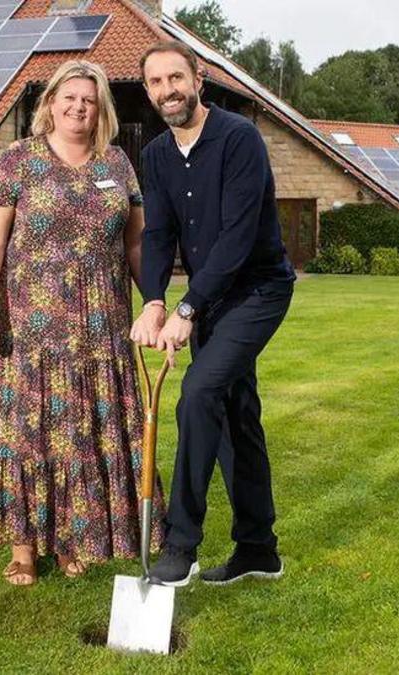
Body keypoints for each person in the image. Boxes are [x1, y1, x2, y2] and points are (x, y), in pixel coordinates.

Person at [0, 60, 165, 587]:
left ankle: (74, 536)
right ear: (49, 103)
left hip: (100, 327)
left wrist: (155, 303)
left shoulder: (118, 164)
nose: (79, 107)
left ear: (102, 110)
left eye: (89, 100)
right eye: (69, 97)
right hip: (29, 327)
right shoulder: (16, 161)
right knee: (27, 435)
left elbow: (136, 243)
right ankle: (24, 547)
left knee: (84, 434)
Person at [130, 41, 296, 587]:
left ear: (198, 79)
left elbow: (236, 238)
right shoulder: (155, 155)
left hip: (258, 291)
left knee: (198, 392)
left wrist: (188, 308)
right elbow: (158, 234)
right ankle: (258, 549)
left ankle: (181, 543)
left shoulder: (239, 139)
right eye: (155, 82)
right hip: (211, 299)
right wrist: (154, 300)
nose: (166, 90)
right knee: (234, 415)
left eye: (176, 77)